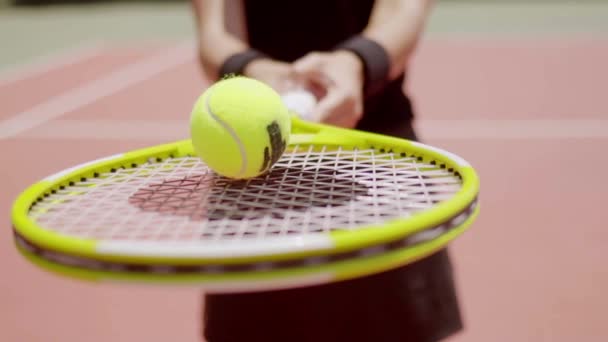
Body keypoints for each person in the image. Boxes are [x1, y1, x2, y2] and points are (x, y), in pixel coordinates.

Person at [192, 1, 463, 341]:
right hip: (253, 179)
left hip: (378, 165)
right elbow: (215, 35)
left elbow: (404, 11)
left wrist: (357, 63)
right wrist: (256, 71)